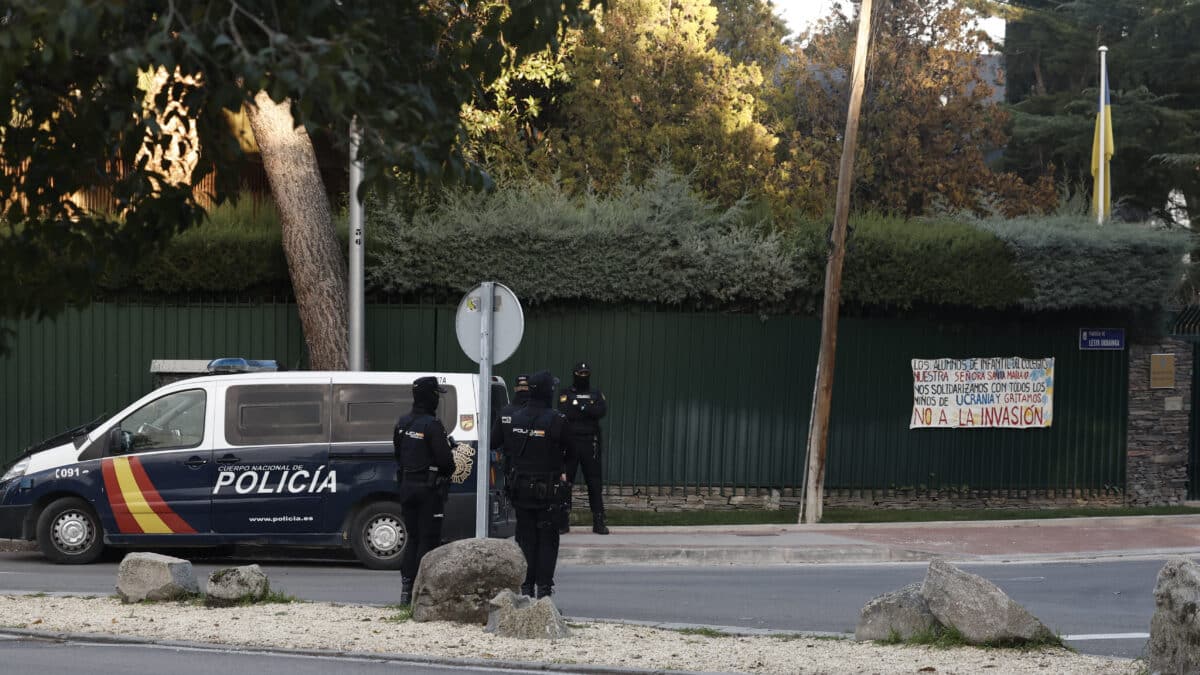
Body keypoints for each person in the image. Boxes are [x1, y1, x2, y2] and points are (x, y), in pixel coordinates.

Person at [502, 370, 569, 598]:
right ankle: (544, 591)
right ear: (549, 391)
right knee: (547, 541)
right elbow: (571, 453)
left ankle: (526, 588)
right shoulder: (557, 420)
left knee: (526, 540)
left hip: (520, 488)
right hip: (548, 491)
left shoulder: (516, 418)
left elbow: (508, 449)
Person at [393, 376, 455, 605]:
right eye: (436, 394)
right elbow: (447, 463)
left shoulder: (403, 423)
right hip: (429, 490)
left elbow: (398, 455)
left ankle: (406, 590)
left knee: (413, 537)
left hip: (407, 486)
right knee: (428, 540)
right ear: (431, 396)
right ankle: (423, 592)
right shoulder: (432, 425)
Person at [559, 361, 609, 534]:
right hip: (571, 443)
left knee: (594, 483)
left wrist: (580, 407)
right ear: (574, 374)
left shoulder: (596, 393)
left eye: (586, 373)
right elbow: (565, 412)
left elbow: (601, 412)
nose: (583, 376)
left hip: (590, 443)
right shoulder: (566, 393)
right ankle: (563, 521)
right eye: (580, 373)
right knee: (566, 482)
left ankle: (599, 521)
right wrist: (588, 408)